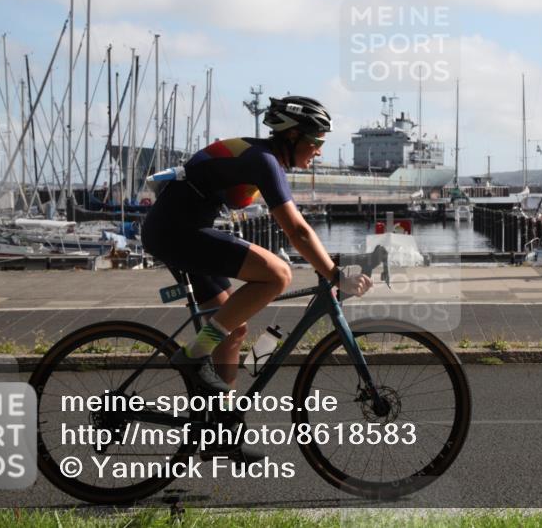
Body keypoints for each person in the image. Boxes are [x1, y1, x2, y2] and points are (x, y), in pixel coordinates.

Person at [141, 96, 372, 395]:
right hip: (177, 232)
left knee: (231, 330)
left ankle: (223, 423)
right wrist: (334, 273)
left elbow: (292, 225)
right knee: (278, 274)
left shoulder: (260, 156)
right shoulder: (263, 160)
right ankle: (193, 356)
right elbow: (298, 231)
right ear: (292, 135)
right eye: (316, 140)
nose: (319, 150)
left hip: (179, 230)